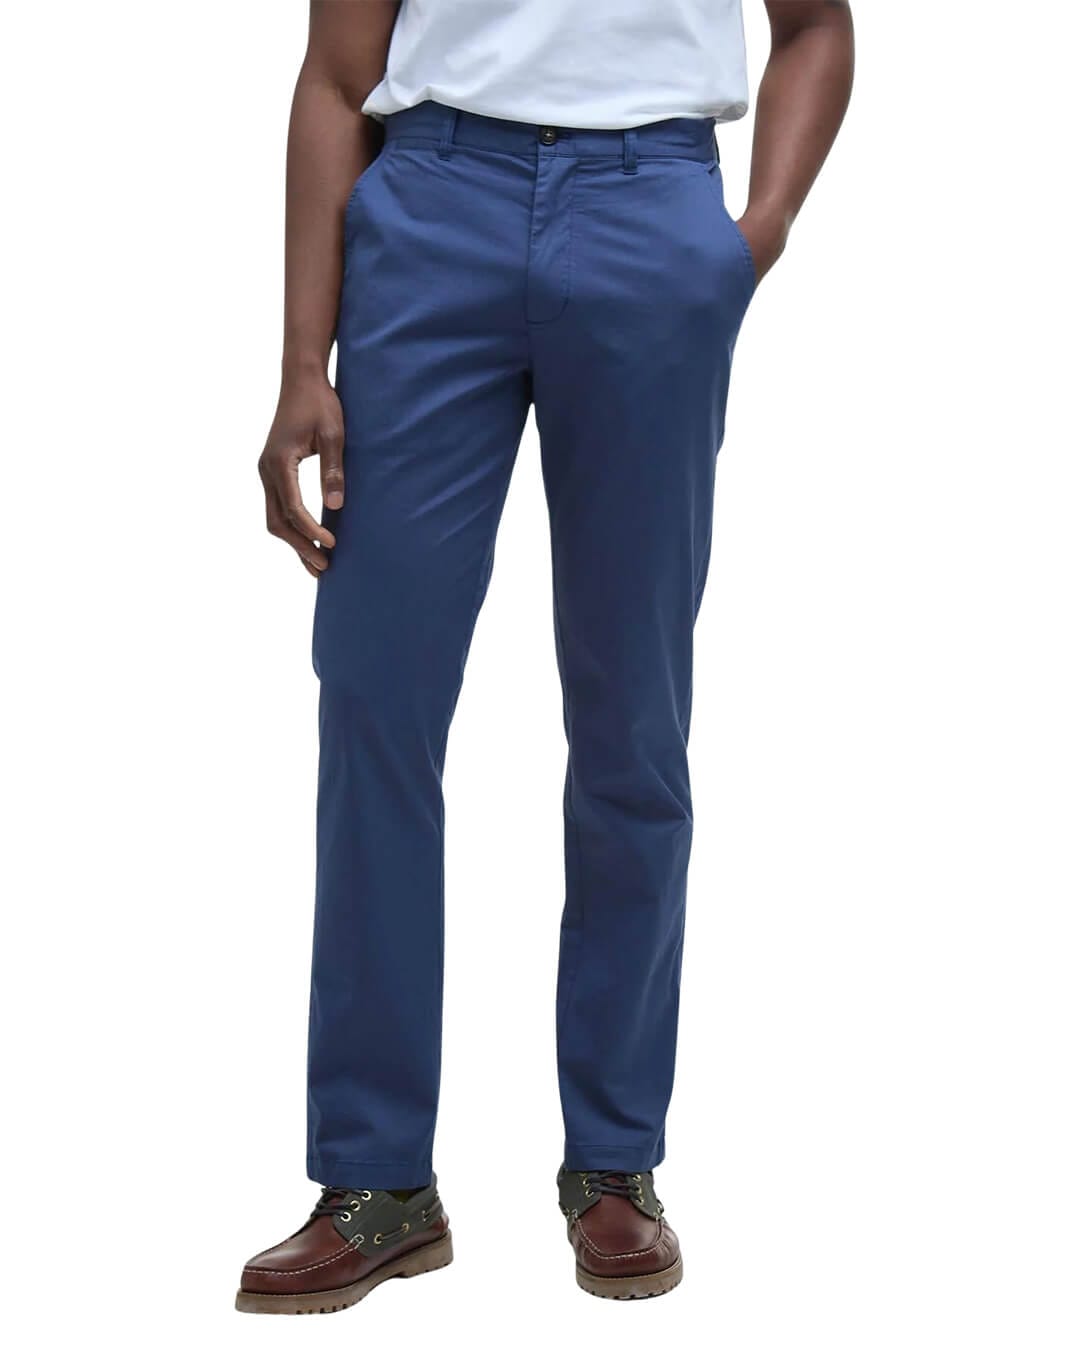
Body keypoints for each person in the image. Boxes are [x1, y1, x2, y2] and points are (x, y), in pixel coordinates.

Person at [238, 0, 854, 1313]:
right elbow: (336, 75)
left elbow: (814, 24)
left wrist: (751, 237)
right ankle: (375, 1178)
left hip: (652, 207)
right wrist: (302, 361)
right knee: (376, 701)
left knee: (634, 717)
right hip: (432, 203)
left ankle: (615, 1161)